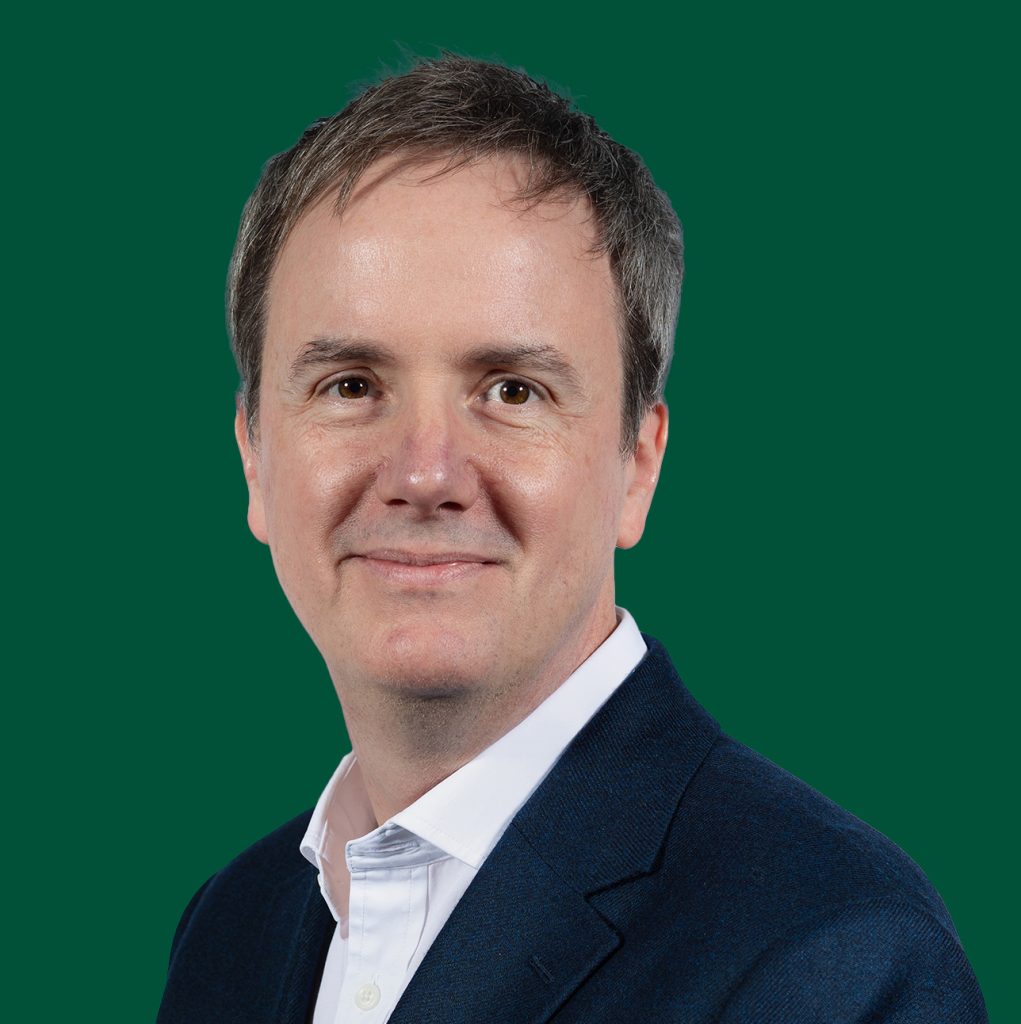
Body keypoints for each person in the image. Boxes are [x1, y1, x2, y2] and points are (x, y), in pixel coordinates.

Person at [158, 55, 987, 1023]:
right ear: (254, 456)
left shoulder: (835, 960)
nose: (424, 473)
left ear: (638, 463)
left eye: (512, 390)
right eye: (350, 385)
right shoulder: (233, 928)